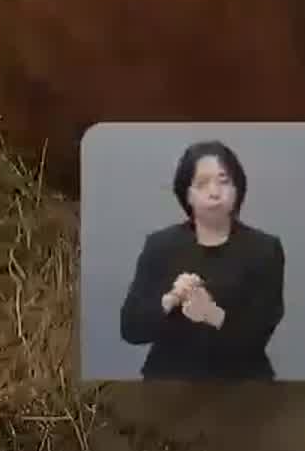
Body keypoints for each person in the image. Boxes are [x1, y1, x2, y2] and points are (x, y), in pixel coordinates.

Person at [118, 140, 287, 381]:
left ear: (238, 189)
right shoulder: (160, 246)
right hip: (168, 386)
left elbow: (260, 332)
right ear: (187, 193)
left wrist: (211, 313)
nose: (214, 192)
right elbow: (131, 329)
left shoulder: (264, 249)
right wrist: (170, 299)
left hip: (242, 386)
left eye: (224, 181)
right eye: (202, 183)